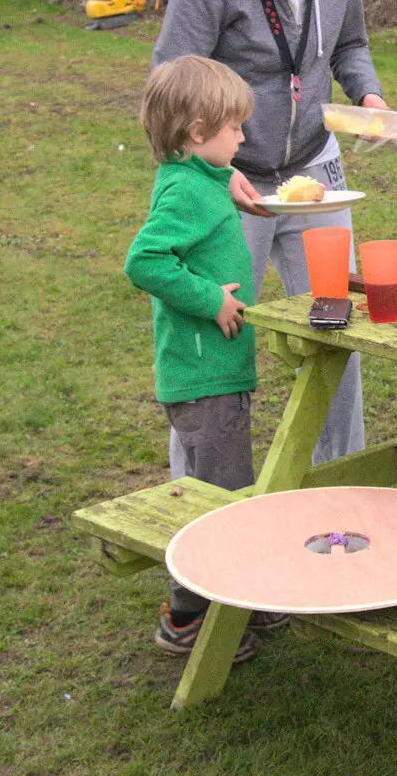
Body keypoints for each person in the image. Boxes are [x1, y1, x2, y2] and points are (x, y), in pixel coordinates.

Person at [154, 0, 392, 465]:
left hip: (316, 168)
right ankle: (197, 496)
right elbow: (171, 80)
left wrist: (367, 93)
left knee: (336, 325)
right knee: (221, 335)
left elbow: (350, 42)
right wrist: (206, 175)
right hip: (235, 182)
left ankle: (341, 478)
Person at [124, 55, 289, 662]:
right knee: (218, 500)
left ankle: (245, 594)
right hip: (203, 376)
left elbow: (205, 184)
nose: (244, 138)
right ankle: (189, 617)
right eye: (235, 129)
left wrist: (230, 185)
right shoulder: (187, 194)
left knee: (228, 488)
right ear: (198, 132)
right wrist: (209, 299)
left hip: (216, 373)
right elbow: (145, 261)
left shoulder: (193, 179)